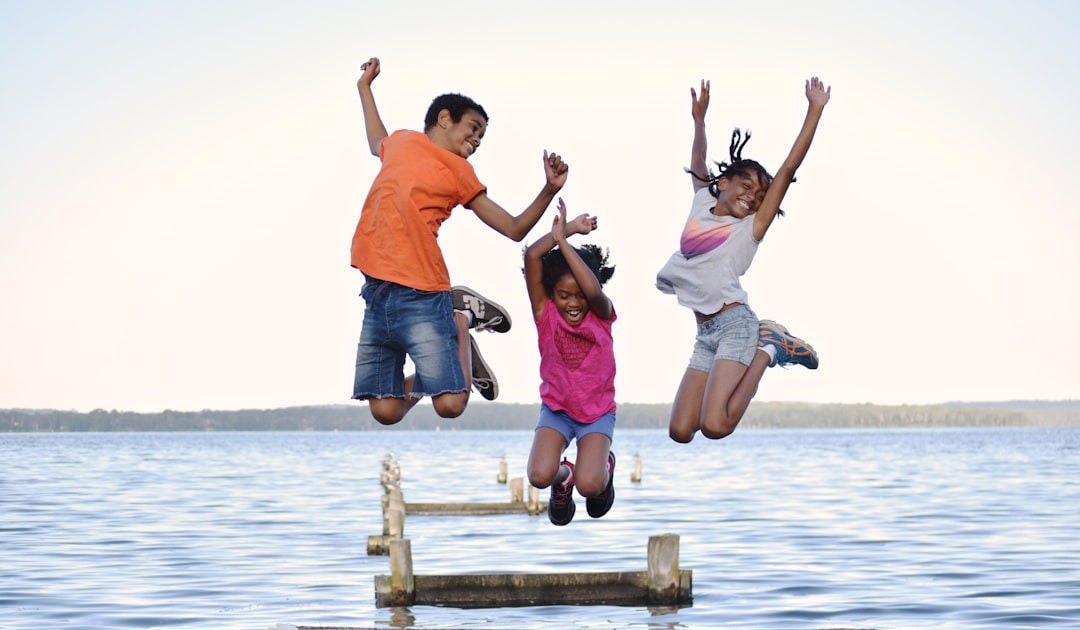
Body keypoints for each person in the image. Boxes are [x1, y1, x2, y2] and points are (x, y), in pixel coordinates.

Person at [351, 56, 569, 425]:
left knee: (451, 403)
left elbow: (514, 227)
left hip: (421, 292)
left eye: (482, 135)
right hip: (376, 295)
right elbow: (376, 139)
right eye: (474, 127)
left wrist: (548, 190)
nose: (477, 138)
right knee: (386, 412)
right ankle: (454, 353)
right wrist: (364, 88)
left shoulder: (459, 172)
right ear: (444, 118)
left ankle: (461, 321)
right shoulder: (401, 142)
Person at [656, 76, 831, 443]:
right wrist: (699, 120)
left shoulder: (750, 229)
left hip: (735, 325)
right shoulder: (703, 202)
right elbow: (698, 161)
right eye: (747, 186)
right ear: (725, 183)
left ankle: (769, 347)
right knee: (680, 431)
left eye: (760, 194)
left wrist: (814, 111)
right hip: (705, 334)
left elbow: (787, 171)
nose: (753, 197)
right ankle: (766, 345)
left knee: (716, 426)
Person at [524, 198, 617, 526]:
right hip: (557, 410)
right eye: (564, 296)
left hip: (596, 414)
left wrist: (564, 243)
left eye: (579, 296)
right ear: (551, 294)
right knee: (539, 475)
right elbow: (531, 255)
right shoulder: (545, 313)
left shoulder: (600, 313)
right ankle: (564, 479)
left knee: (590, 486)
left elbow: (592, 292)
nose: (573, 303)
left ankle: (605, 467)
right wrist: (566, 230)